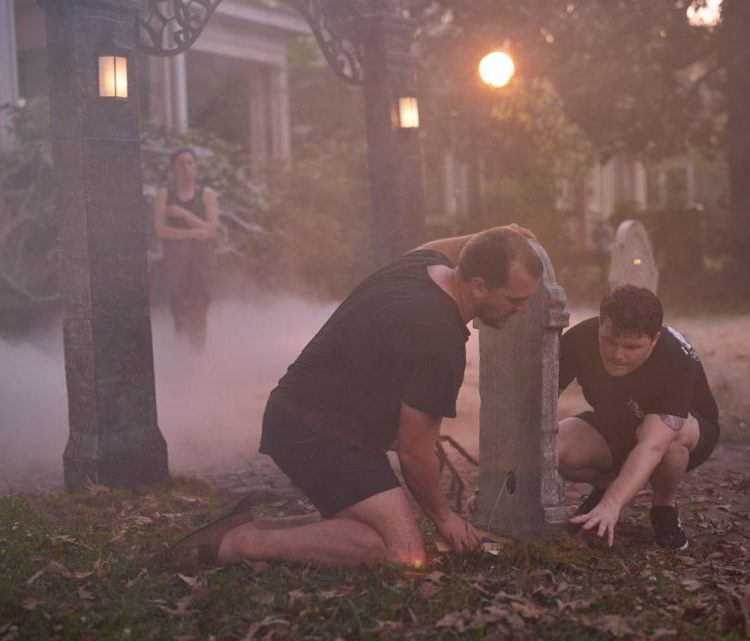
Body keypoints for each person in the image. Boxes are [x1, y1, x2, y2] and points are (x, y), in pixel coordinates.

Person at [168, 226, 543, 568]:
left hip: (301, 416)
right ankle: (240, 544)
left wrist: (497, 232)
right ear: (478, 286)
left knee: (359, 524)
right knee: (403, 552)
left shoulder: (421, 263)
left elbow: (452, 246)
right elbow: (414, 452)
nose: (522, 309)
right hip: (316, 433)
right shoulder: (441, 342)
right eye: (515, 299)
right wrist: (444, 518)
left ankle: (254, 527)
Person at [558, 285, 720, 550]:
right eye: (610, 341)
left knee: (669, 438)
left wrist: (614, 506)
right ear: (600, 325)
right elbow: (537, 406)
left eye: (632, 346)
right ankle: (609, 488)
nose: (618, 354)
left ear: (654, 340)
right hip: (617, 423)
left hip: (682, 433)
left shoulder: (675, 358)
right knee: (552, 447)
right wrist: (502, 476)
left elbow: (652, 445)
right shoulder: (579, 338)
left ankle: (664, 509)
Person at [152, 148, 220, 350]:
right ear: (174, 168)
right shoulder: (164, 195)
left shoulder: (207, 195)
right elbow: (161, 230)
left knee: (199, 313)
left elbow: (212, 231)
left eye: (190, 163)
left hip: (201, 264)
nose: (186, 167)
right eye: (181, 163)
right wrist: (193, 233)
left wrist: (183, 214)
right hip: (176, 264)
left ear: (196, 167)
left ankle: (198, 363)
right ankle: (182, 363)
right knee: (179, 312)